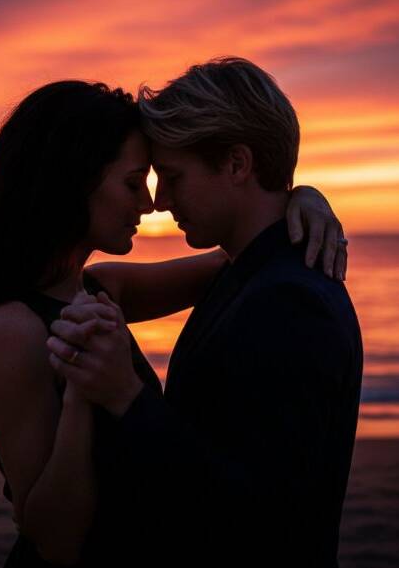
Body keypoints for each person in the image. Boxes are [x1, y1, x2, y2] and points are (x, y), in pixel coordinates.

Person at [0, 79, 347, 567]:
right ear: (73, 181)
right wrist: (84, 394)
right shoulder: (11, 330)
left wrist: (303, 197)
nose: (150, 204)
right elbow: (54, 540)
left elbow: (245, 257)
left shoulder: (101, 290)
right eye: (134, 183)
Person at [46, 58, 363, 567]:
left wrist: (124, 395)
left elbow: (266, 514)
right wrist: (301, 195)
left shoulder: (291, 302)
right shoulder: (247, 271)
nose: (161, 201)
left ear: (237, 165)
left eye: (172, 177)